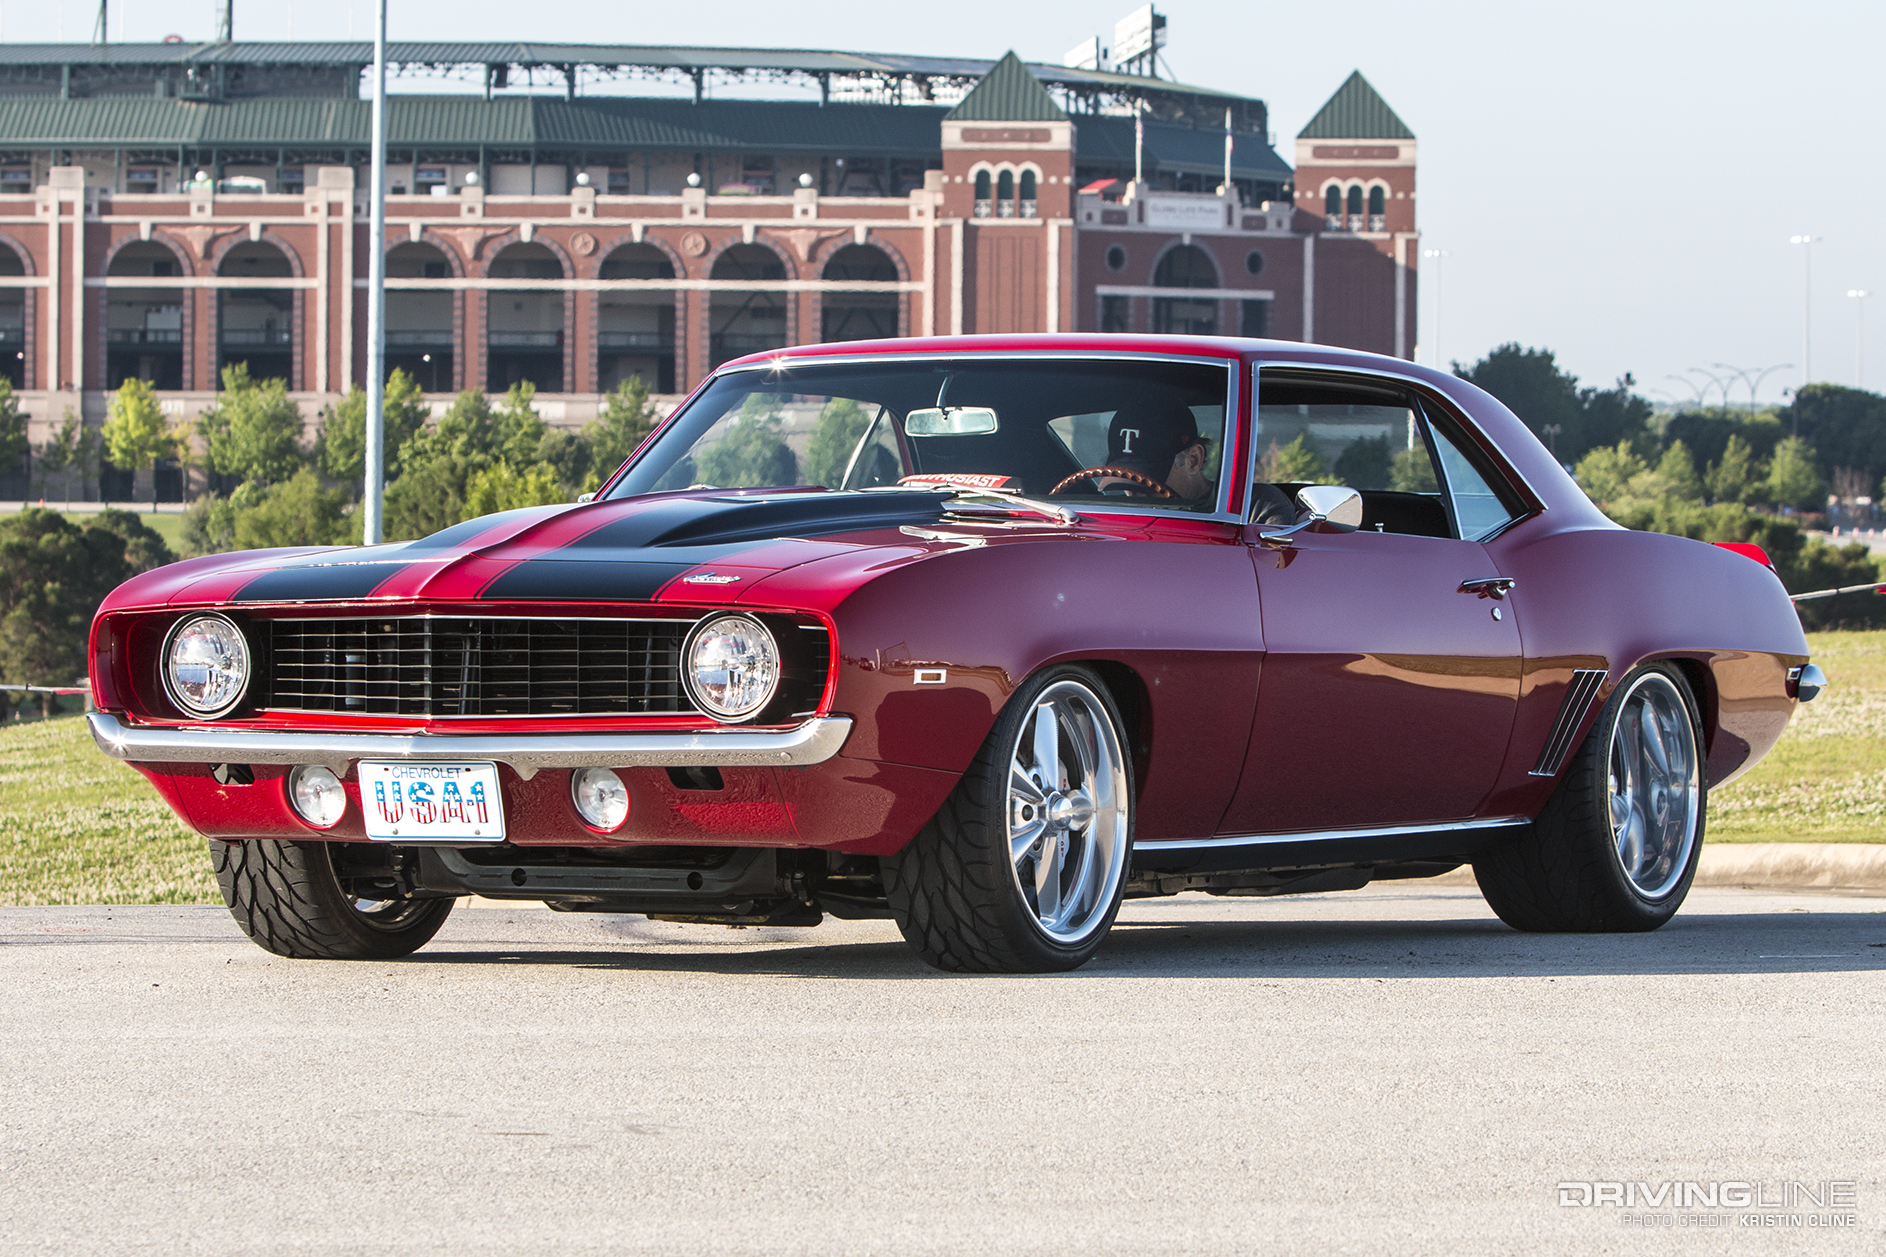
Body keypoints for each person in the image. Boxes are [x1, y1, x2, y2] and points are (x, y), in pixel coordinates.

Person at [1101, 400, 1294, 523]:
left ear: (1193, 460)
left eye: (1148, 480)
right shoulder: (1110, 518)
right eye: (1124, 481)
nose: (1135, 494)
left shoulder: (1255, 509)